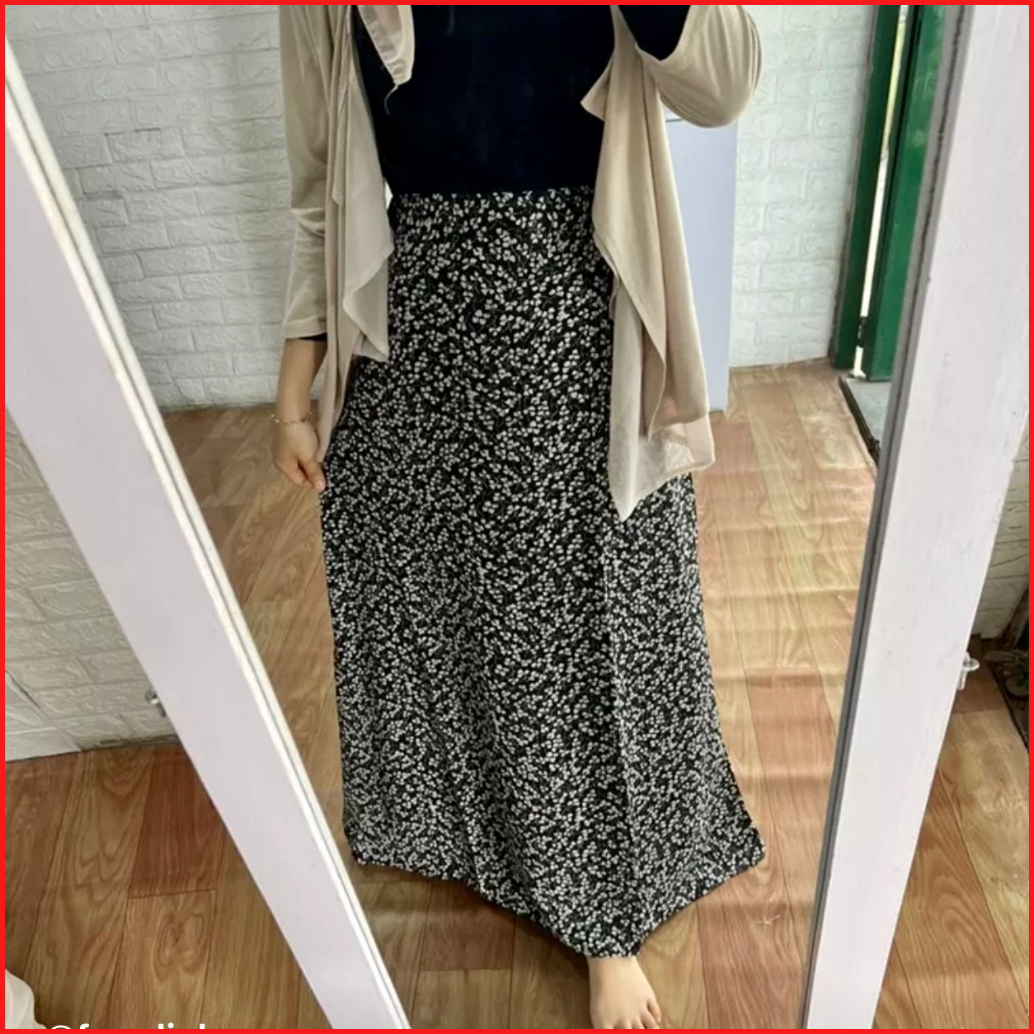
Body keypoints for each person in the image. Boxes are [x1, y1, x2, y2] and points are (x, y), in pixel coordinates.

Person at [273, 6, 763, 1028]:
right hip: (416, 318)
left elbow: (723, 86)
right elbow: (320, 179)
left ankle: (605, 911)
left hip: (575, 307)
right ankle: (471, 831)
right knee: (436, 595)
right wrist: (295, 380)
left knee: (582, 616)